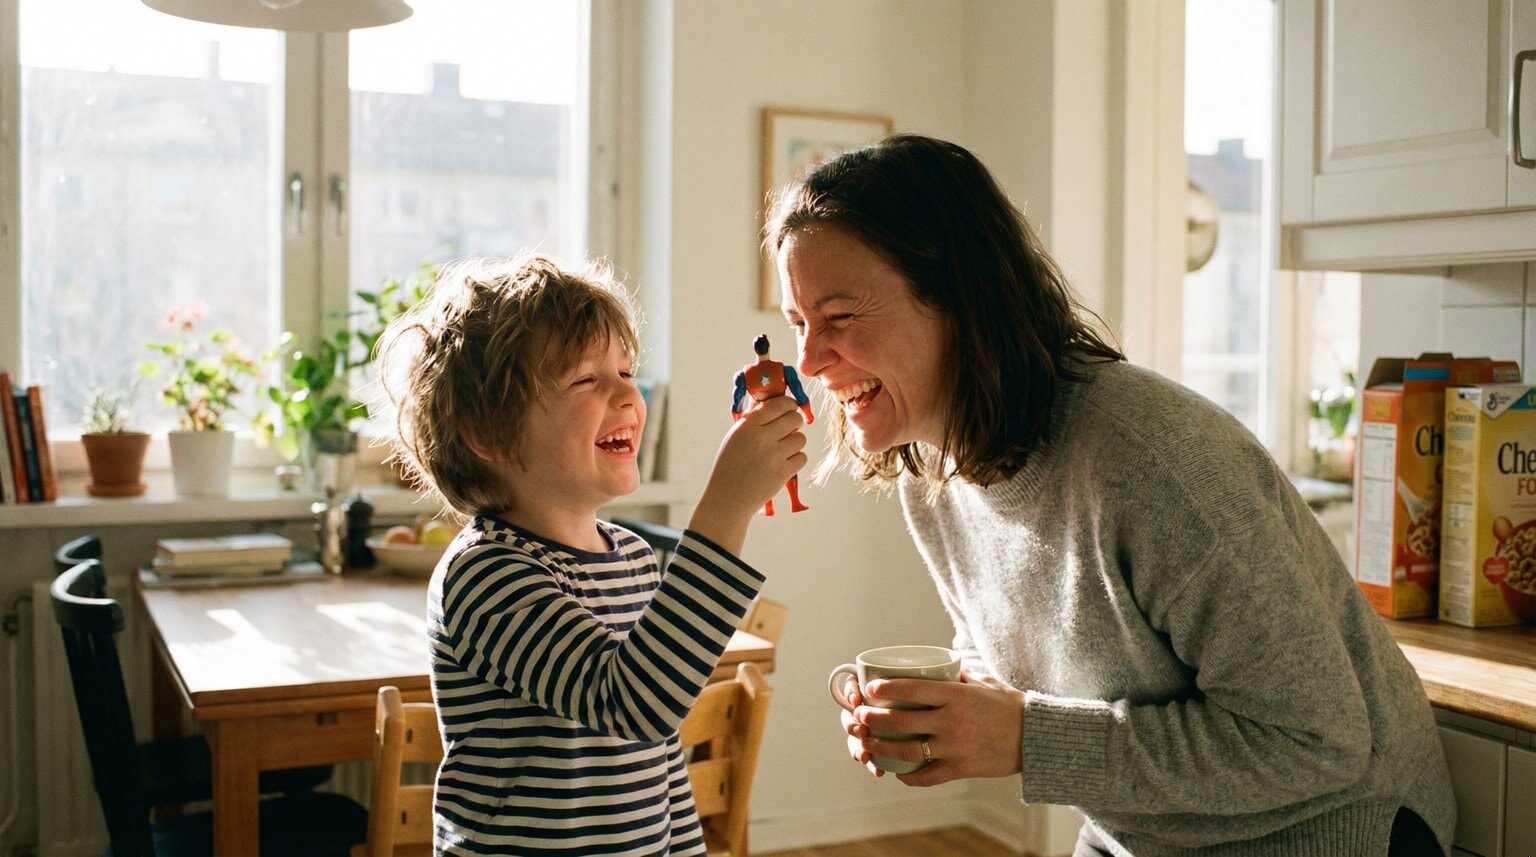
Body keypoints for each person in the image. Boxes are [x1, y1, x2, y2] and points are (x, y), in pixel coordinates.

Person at [765, 134, 1455, 856]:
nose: (809, 360)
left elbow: (1316, 739)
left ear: (958, 302)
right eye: (799, 324)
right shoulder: (930, 477)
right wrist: (953, 708)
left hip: (1333, 830)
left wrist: (1025, 736)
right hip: (1150, 832)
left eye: (840, 318)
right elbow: (1016, 649)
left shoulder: (1151, 460)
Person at [373, 254, 808, 856]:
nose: (628, 393)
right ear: (490, 433)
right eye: (586, 380)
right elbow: (633, 702)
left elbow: (660, 755)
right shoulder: (484, 575)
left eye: (626, 370)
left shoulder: (630, 556)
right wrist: (726, 507)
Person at [731, 333, 815, 514]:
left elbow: (737, 402)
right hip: (783, 417)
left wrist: (738, 422)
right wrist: (808, 414)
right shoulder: (784, 370)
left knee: (764, 463)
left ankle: (768, 506)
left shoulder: (744, 375)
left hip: (760, 418)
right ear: (769, 348)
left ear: (755, 350)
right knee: (788, 459)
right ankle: (795, 501)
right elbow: (800, 394)